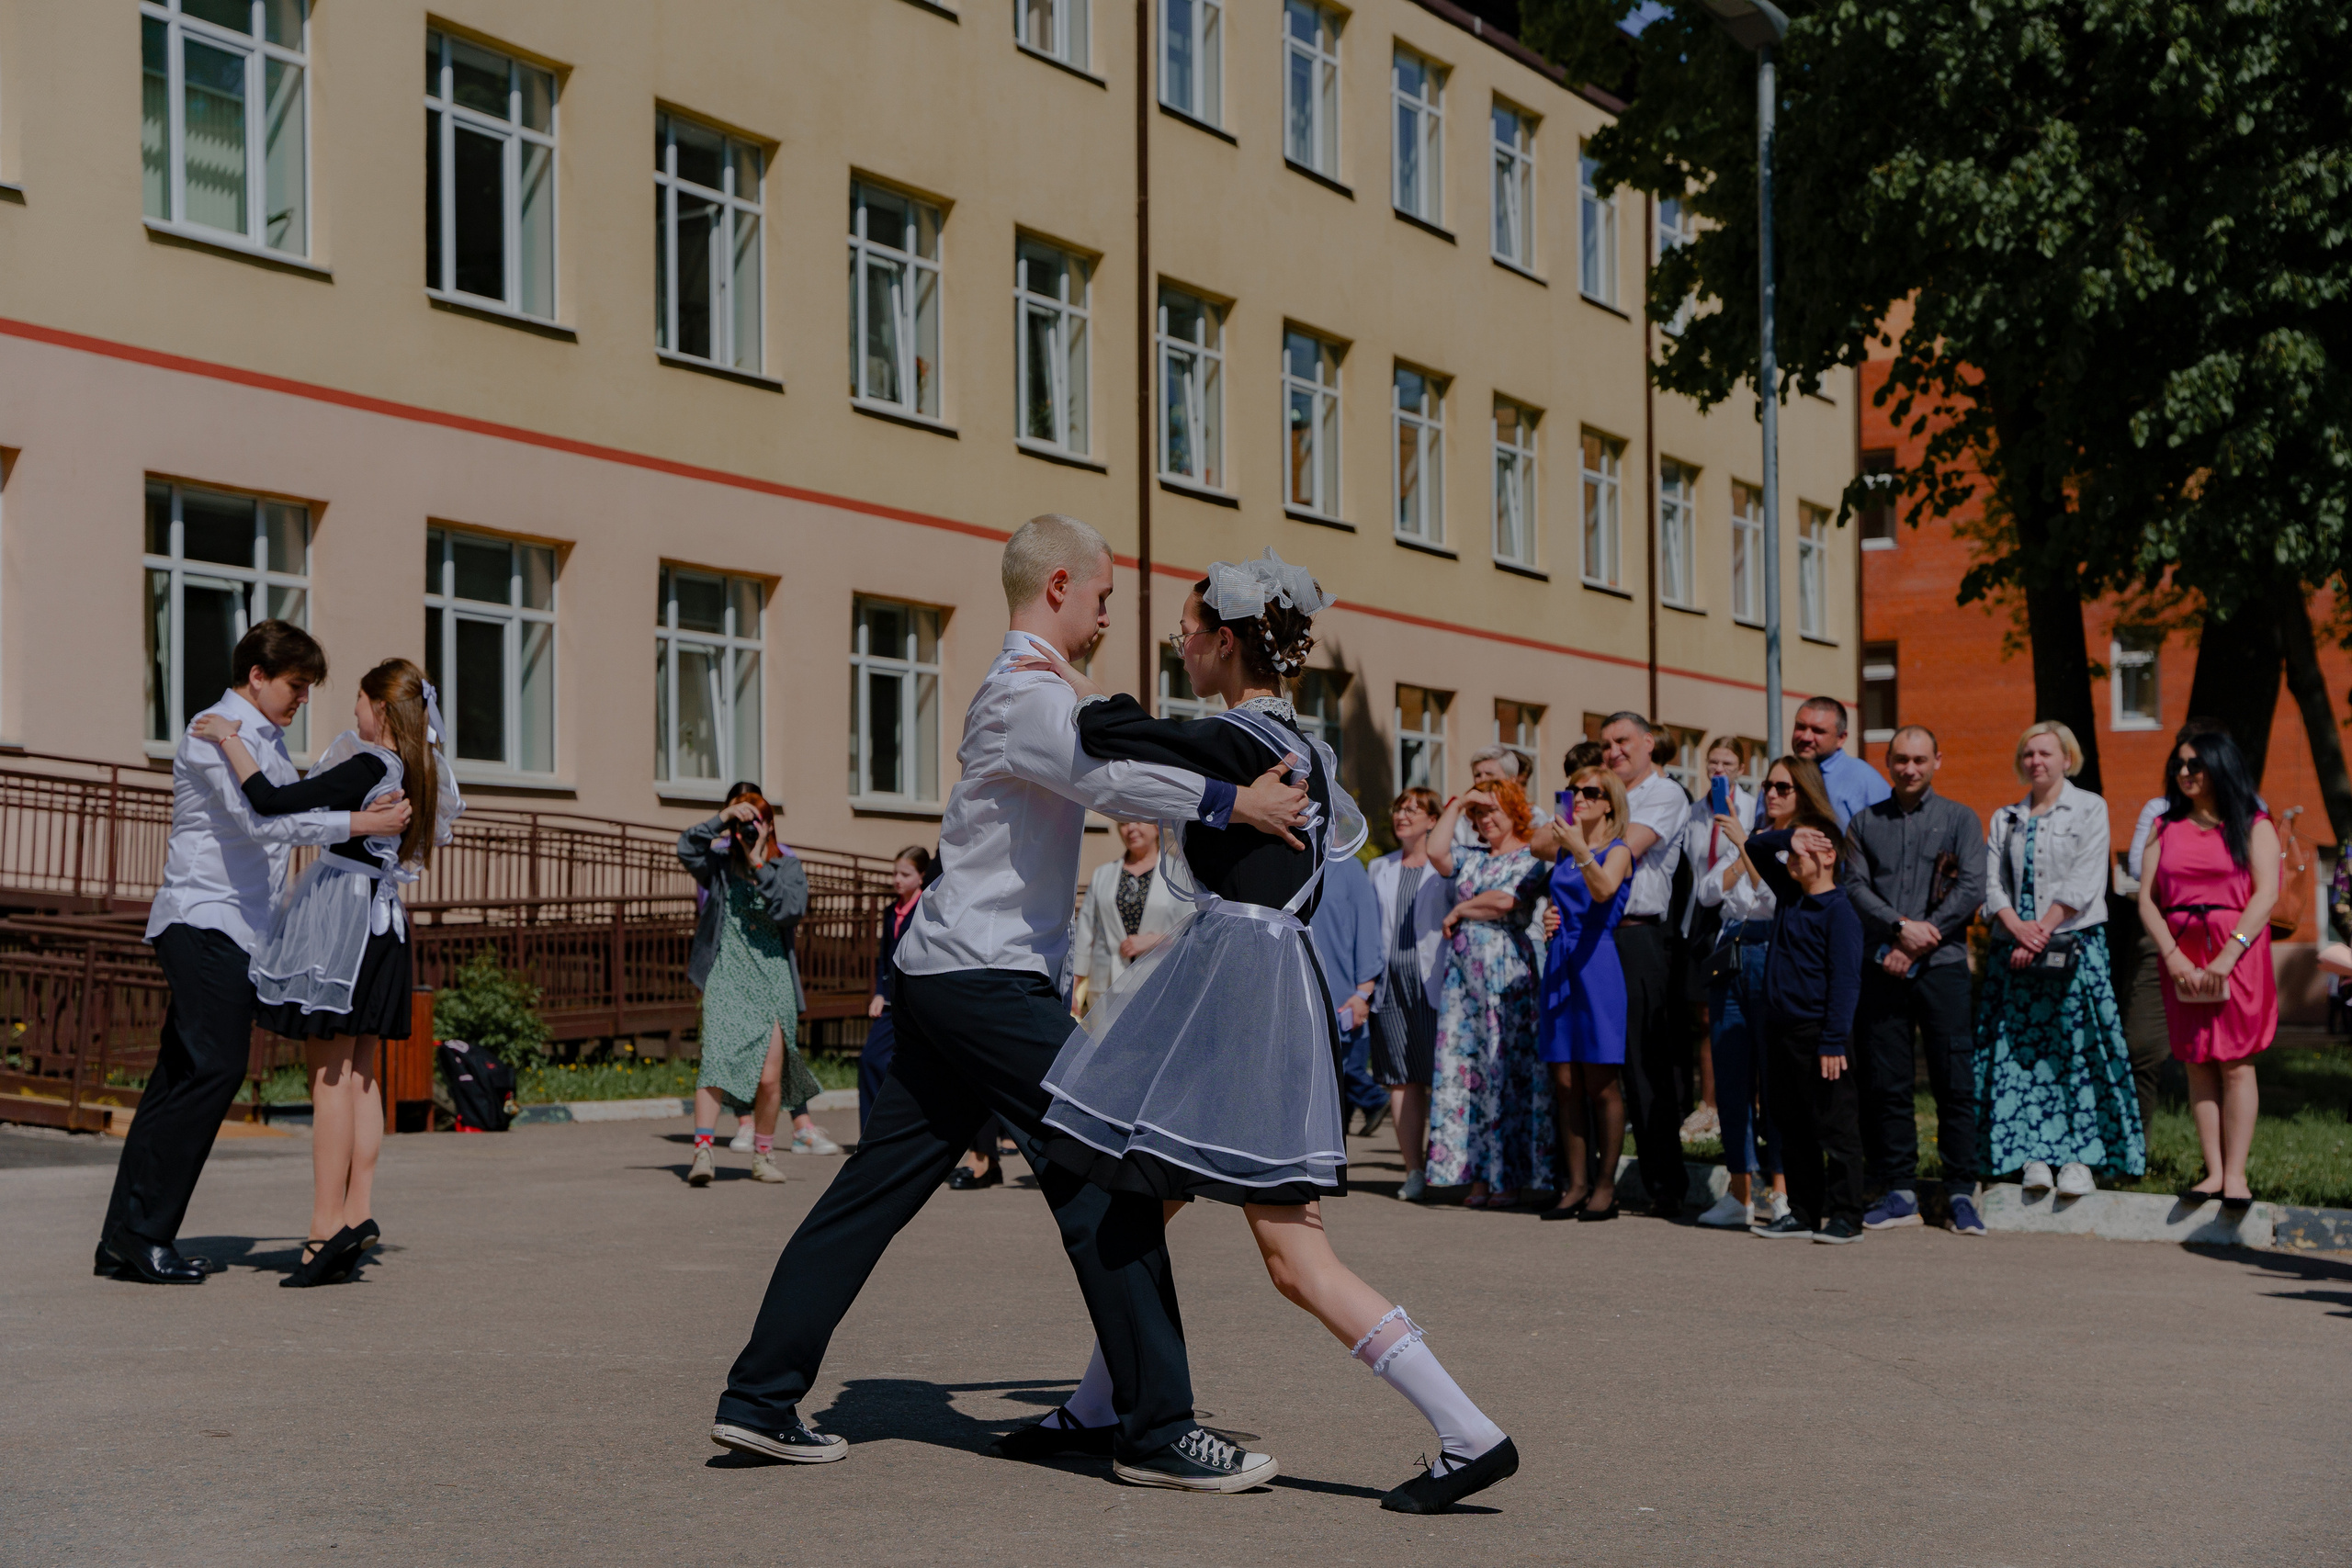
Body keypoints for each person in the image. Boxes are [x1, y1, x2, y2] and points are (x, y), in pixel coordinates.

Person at [711, 514, 1309, 1493]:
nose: (1114, 614)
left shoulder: (1036, 687)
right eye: (1107, 597)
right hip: (982, 979)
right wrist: (1236, 805)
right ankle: (1154, 1429)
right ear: (1062, 585)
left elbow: (1108, 734)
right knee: (1108, 1168)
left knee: (873, 1194)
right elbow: (1109, 771)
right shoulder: (1029, 695)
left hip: (952, 977)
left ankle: (758, 1398)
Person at [1022, 548, 1517, 1514]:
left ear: (1228, 638)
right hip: (1252, 981)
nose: (1179, 639)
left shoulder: (1243, 740)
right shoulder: (1309, 748)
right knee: (1135, 1203)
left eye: (1191, 626)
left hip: (1235, 984)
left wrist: (1061, 670)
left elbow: (1106, 725)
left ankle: (1469, 1432)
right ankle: (1095, 1403)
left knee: (1294, 1254)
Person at [96, 623, 410, 1286]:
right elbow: (260, 819)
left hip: (241, 929)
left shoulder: (263, 737)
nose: (303, 700)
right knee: (215, 1067)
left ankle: (125, 1236)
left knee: (179, 1075)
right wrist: (362, 824)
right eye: (296, 686)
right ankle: (145, 1232)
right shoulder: (214, 729)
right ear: (258, 675)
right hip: (203, 919)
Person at [192, 657, 460, 1286]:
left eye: (361, 703)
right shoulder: (418, 769)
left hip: (343, 924)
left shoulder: (371, 765)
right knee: (361, 1072)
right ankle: (357, 1212)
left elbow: (273, 800)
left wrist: (230, 739)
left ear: (381, 710)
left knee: (329, 1076)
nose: (353, 713)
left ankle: (323, 1229)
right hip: (383, 924)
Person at [1976, 721, 2146, 1197]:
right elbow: (1993, 884)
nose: (2037, 762)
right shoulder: (2005, 817)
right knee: (2023, 1056)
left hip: (2072, 949)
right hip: (2017, 952)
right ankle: (2031, 1154)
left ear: (2067, 759)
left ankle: (2078, 1159)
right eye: (2029, 754)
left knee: (2078, 1051)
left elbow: (2085, 878)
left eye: (2046, 753)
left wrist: (2043, 929)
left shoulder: (2090, 808)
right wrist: (2018, 929)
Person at [1841, 725, 1988, 1236]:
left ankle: (1961, 1191)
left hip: (1942, 966)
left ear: (1937, 761)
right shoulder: (1864, 822)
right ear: (1888, 762)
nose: (1910, 768)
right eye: (1901, 759)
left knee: (1954, 1080)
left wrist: (1920, 941)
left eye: (1920, 760)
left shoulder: (1960, 820)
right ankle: (1900, 1189)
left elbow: (1971, 887)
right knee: (1888, 1082)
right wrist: (1899, 931)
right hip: (1882, 964)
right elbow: (1854, 886)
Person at [2136, 728, 2279, 1209]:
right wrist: (2173, 955)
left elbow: (2266, 895)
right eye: (2178, 765)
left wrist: (2228, 955)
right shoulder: (2163, 826)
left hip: (2236, 957)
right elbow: (2147, 901)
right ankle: (2212, 1172)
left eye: (2194, 764)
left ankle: (2236, 1175)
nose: (2183, 773)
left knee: (2236, 1064)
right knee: (2198, 1063)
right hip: (2181, 958)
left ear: (2220, 766)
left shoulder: (2253, 823)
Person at [1734, 769, 1867, 1244]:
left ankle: (1848, 1215)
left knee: (1836, 1126)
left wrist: (1834, 1039)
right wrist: (1792, 833)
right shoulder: (1790, 894)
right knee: (1792, 1125)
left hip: (1821, 1036)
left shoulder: (1841, 914)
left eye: (1802, 851)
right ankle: (1806, 1211)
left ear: (1827, 856)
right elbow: (1754, 848)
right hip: (1781, 1030)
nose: (1789, 856)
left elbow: (1846, 983)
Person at [679, 790, 823, 1188]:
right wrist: (720, 819)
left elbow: (789, 911)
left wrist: (759, 862)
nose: (745, 829)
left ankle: (762, 1155)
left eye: (754, 821)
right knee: (715, 1062)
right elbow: (686, 847)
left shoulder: (787, 866)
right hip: (727, 975)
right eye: (740, 822)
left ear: (769, 825)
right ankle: (703, 1152)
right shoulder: (720, 864)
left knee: (768, 1079)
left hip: (772, 977)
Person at [1426, 779, 1552, 1208]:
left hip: (1505, 972)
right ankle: (1477, 1176)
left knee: (1502, 1069)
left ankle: (1508, 1179)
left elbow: (1505, 900)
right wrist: (1460, 802)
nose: (1486, 819)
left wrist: (1460, 909)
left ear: (1515, 811)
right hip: (1464, 980)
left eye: (1493, 810)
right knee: (1469, 1070)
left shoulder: (1531, 855)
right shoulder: (1471, 856)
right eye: (1480, 814)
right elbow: (1436, 851)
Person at [1691, 756, 1798, 1231]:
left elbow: (1778, 902)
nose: (1771, 794)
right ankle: (1739, 1192)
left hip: (1772, 954)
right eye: (1768, 786)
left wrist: (1748, 857)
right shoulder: (1749, 837)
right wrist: (1743, 854)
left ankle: (1782, 1192)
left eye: (1783, 787)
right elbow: (1708, 892)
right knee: (1731, 1074)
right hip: (1731, 954)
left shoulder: (1801, 842)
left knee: (1774, 1080)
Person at [1599, 710, 1692, 1217]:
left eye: (1623, 741)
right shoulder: (1601, 791)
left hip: (1638, 935)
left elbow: (1621, 849)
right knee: (1593, 1064)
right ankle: (1593, 1181)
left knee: (1645, 1064)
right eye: (1607, 743)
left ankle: (1665, 1184)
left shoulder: (1665, 793)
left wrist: (1577, 835)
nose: (1614, 751)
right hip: (1591, 933)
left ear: (1649, 743)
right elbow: (1554, 844)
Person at [1529, 766, 1634, 1221]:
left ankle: (1605, 1186)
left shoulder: (1618, 849)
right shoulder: (1564, 853)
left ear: (1609, 802)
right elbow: (1561, 895)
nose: (1581, 797)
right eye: (1575, 790)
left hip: (1598, 962)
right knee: (1565, 1080)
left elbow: (1605, 888)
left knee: (1601, 1081)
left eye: (1592, 792)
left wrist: (1576, 845)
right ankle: (1574, 1185)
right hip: (1561, 959)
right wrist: (1552, 916)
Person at [1368, 787, 1451, 1202]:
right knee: (1402, 1079)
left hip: (1434, 980)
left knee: (1444, 1075)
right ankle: (1413, 1170)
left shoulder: (1444, 867)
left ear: (1433, 820)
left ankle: (1447, 1168)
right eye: (1399, 808)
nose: (1403, 815)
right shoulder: (1379, 867)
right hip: (1391, 985)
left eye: (1414, 809)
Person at [1676, 739, 1752, 1150]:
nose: (1719, 769)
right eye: (1713, 762)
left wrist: (1736, 821)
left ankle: (1745, 1099)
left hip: (1737, 912)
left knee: (1739, 1012)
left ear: (1741, 768)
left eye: (1727, 763)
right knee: (1704, 1014)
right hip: (1701, 913)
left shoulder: (1752, 807)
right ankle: (1709, 1103)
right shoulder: (1695, 810)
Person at [1311, 846, 1390, 1137]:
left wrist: (1363, 993)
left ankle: (1373, 1101)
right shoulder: (1287, 863)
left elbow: (1368, 934)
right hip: (1300, 1001)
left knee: (1340, 1084)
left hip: (1343, 1000)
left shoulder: (1347, 867)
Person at [1069, 820, 1185, 1020]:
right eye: (1123, 823)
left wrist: (1156, 940)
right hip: (1106, 985)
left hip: (1159, 982)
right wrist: (1073, 985)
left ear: (1156, 827)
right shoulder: (1103, 874)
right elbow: (1085, 932)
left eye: (1139, 821)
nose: (1131, 828)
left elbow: (1195, 930)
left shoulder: (1179, 874)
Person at [861, 845, 935, 1137]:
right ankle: (870, 1133)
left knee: (910, 1070)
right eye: (895, 873)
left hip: (915, 1002)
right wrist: (879, 992)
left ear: (921, 877)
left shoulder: (927, 910)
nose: (897, 879)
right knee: (870, 1060)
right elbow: (884, 956)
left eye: (905, 874)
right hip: (891, 1001)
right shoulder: (892, 910)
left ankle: (901, 1132)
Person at [1789, 695, 1892, 828]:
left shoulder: (1864, 779)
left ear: (1841, 738)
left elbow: (1889, 835)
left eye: (1818, 731)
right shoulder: (1780, 776)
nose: (1806, 737)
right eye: (1801, 727)